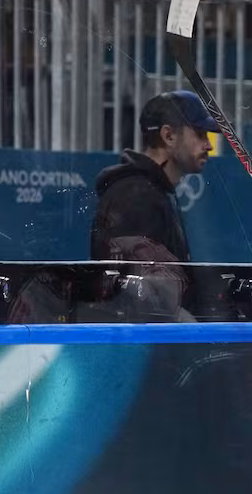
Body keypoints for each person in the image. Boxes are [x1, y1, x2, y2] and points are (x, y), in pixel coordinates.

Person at [86, 89, 220, 321]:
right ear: (168, 136)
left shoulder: (149, 192)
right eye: (200, 133)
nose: (208, 145)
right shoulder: (136, 197)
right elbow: (140, 300)